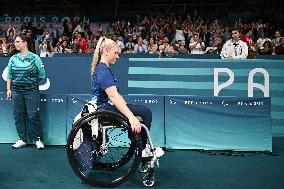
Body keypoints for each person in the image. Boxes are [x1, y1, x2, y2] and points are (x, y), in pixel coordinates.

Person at [90, 36, 163, 157]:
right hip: (102, 109)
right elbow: (114, 97)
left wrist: (128, 110)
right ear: (106, 51)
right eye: (116, 53)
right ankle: (142, 149)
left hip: (104, 106)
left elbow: (116, 95)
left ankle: (139, 144)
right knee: (145, 112)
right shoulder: (102, 71)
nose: (118, 56)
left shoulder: (103, 69)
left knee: (139, 111)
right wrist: (131, 118)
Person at [6, 33, 45, 150]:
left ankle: (38, 139)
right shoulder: (13, 58)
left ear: (25, 43)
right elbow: (9, 75)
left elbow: (41, 75)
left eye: (18, 41)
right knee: (18, 115)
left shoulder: (35, 58)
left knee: (33, 115)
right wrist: (8, 89)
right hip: (16, 91)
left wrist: (30, 83)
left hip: (31, 91)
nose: (15, 43)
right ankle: (22, 139)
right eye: (15, 42)